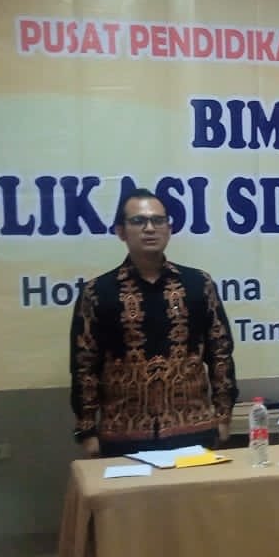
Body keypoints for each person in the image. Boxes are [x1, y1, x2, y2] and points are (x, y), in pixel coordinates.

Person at [70, 189, 238, 457]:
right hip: (122, 434)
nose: (150, 228)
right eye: (138, 221)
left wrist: (223, 416)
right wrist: (87, 430)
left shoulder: (198, 284)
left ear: (169, 229)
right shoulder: (97, 292)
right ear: (121, 231)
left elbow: (220, 353)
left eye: (158, 221)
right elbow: (84, 366)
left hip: (194, 429)